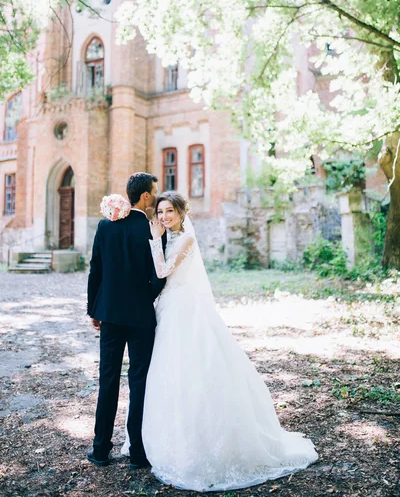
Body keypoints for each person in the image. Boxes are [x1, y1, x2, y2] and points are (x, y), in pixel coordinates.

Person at [119, 190, 318, 492]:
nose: (163, 217)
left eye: (169, 211)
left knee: (194, 367)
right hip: (169, 309)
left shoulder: (185, 239)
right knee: (167, 372)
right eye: (159, 212)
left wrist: (153, 239)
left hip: (186, 310)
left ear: (181, 213)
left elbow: (162, 271)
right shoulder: (168, 237)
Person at [86, 173, 165, 470]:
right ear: (144, 196)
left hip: (110, 315)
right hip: (141, 317)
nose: (155, 197)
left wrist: (94, 308)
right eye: (153, 193)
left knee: (108, 380)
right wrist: (146, 297)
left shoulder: (105, 226)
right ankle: (138, 453)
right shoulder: (151, 228)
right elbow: (160, 274)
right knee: (139, 381)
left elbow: (96, 269)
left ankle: (101, 449)